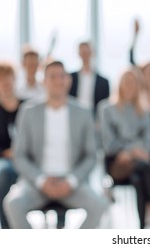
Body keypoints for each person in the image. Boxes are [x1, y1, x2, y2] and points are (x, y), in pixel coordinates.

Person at [3, 61, 108, 229]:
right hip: (37, 182)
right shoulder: (28, 111)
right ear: (44, 81)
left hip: (72, 182)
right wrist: (41, 179)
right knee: (12, 203)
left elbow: (91, 155)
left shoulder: (83, 112)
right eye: (53, 77)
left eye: (62, 76)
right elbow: (20, 154)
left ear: (69, 80)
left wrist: (72, 180)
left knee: (99, 204)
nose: (58, 81)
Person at [98, 67, 150, 229]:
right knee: (144, 168)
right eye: (127, 82)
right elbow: (109, 143)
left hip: (138, 165)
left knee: (138, 178)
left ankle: (141, 228)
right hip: (117, 164)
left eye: (134, 82)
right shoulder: (106, 109)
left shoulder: (144, 112)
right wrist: (134, 151)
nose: (130, 86)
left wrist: (135, 152)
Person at [0, 62, 23, 229]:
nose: (6, 84)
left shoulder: (27, 107)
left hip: (28, 157)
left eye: (8, 79)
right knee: (3, 173)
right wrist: (7, 153)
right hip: (6, 160)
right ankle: (8, 230)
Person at [69, 41, 110, 115]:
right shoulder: (70, 78)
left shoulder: (103, 82)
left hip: (94, 118)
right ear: (79, 54)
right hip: (74, 116)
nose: (85, 55)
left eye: (87, 52)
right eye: (83, 52)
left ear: (92, 53)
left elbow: (105, 104)